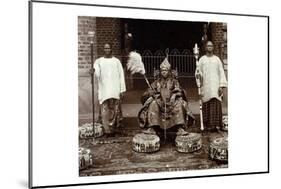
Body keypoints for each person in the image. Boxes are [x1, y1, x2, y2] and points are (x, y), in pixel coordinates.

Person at [138, 57, 195, 136]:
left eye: (165, 70)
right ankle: (152, 128)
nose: (164, 72)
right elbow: (146, 94)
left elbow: (180, 91)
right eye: (162, 70)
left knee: (179, 104)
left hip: (172, 101)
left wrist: (174, 95)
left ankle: (179, 128)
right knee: (153, 103)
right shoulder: (156, 82)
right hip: (159, 102)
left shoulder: (174, 81)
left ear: (169, 71)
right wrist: (150, 93)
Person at [93, 43, 126, 137]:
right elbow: (97, 72)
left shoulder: (116, 61)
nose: (107, 50)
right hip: (104, 89)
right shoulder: (99, 61)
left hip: (115, 89)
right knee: (105, 110)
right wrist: (93, 71)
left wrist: (122, 89)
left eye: (108, 48)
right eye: (105, 48)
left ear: (111, 49)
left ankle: (115, 130)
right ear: (103, 49)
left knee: (115, 110)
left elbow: (121, 76)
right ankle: (107, 131)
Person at [196, 41, 227, 132]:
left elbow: (221, 72)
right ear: (205, 48)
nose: (209, 47)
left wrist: (221, 86)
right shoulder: (202, 60)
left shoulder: (217, 59)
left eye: (211, 46)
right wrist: (198, 76)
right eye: (208, 46)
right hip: (205, 85)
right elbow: (198, 72)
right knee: (207, 102)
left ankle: (217, 125)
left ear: (213, 48)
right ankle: (208, 125)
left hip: (215, 85)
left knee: (215, 103)